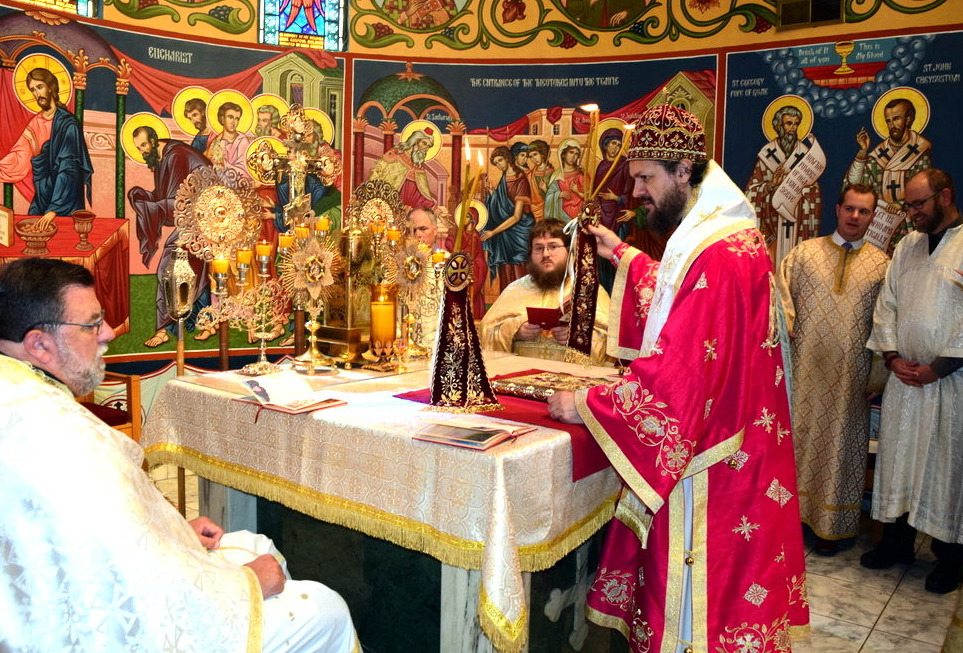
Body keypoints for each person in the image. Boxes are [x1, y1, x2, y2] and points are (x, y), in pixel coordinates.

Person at [546, 104, 809, 651]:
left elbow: (683, 368)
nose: (636, 191)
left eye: (646, 178)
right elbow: (681, 297)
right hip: (733, 438)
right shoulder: (715, 233)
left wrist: (588, 405)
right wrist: (622, 255)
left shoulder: (721, 252)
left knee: (699, 612)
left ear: (684, 170)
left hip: (715, 461)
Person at [0, 257, 358, 652]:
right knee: (325, 608)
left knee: (254, 544)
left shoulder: (19, 398)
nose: (108, 333)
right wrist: (247, 584)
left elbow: (85, 542)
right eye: (92, 324)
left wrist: (172, 531)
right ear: (39, 345)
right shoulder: (62, 435)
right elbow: (123, 586)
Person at [862, 168, 963, 594]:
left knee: (945, 467)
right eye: (908, 205)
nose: (912, 212)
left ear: (945, 196)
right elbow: (887, 305)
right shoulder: (907, 246)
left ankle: (950, 559)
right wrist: (892, 356)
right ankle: (896, 544)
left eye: (919, 204)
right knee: (899, 459)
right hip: (905, 379)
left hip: (950, 382)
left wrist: (939, 366)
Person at [776, 183, 890, 556]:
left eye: (864, 211)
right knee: (797, 444)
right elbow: (780, 301)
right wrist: (785, 331)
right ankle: (788, 522)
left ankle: (831, 528)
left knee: (841, 449)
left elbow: (886, 322)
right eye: (850, 208)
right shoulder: (804, 254)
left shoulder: (882, 266)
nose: (855, 217)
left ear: (872, 217)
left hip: (850, 380)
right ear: (838, 209)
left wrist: (878, 375)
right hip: (804, 373)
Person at [127, 125, 213, 347]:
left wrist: (149, 207)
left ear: (154, 140)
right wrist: (144, 197)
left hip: (206, 217)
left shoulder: (175, 156)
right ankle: (202, 322)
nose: (143, 151)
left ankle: (165, 328)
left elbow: (177, 204)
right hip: (194, 217)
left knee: (170, 265)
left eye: (144, 145)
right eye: (138, 148)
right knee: (192, 267)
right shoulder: (163, 157)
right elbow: (165, 197)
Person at [480, 218, 609, 364]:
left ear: (569, 251)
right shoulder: (515, 289)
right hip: (521, 374)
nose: (546, 254)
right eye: (539, 248)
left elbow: (609, 336)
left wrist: (577, 336)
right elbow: (486, 330)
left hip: (569, 377)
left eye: (553, 246)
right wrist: (515, 330)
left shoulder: (588, 290)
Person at [0, 67, 94, 229]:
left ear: (50, 87)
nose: (37, 93)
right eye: (33, 90)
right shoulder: (34, 123)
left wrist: (54, 209)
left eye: (40, 87)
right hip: (42, 196)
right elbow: (19, 157)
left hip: (65, 197)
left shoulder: (68, 124)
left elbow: (68, 168)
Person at [844, 96, 932, 255]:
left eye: (896, 119)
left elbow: (923, 193)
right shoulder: (879, 154)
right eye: (888, 121)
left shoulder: (919, 153)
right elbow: (854, 185)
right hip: (880, 227)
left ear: (908, 119)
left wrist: (900, 204)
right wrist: (863, 152)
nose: (892, 125)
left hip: (907, 225)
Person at [745, 102, 824, 266]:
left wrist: (806, 193)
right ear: (779, 125)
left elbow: (814, 192)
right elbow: (751, 192)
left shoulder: (805, 155)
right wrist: (770, 186)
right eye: (789, 123)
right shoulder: (767, 155)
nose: (793, 128)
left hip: (797, 225)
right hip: (772, 228)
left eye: (796, 124)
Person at [481, 145, 535, 289]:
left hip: (519, 232)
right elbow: (502, 203)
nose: (499, 165)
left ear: (507, 158)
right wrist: (492, 193)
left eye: (500, 160)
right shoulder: (504, 178)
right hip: (505, 232)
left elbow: (516, 216)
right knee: (506, 270)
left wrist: (493, 232)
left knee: (519, 270)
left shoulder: (521, 180)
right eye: (496, 163)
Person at [369, 128, 436, 209]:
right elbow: (379, 175)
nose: (425, 148)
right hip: (387, 206)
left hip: (408, 210)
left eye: (428, 146)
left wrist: (434, 209)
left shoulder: (418, 166)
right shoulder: (396, 154)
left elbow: (421, 196)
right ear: (416, 140)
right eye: (424, 143)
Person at [206, 101, 252, 179]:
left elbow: (245, 171)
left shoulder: (242, 140)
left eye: (237, 119)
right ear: (222, 119)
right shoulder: (216, 141)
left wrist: (224, 164)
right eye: (230, 117)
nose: (234, 122)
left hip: (238, 182)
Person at [544, 139, 586, 222]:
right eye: (571, 152)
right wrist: (559, 194)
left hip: (579, 215)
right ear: (563, 154)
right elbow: (549, 196)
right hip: (561, 215)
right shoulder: (556, 175)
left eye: (576, 154)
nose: (573, 156)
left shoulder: (581, 174)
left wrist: (577, 191)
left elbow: (590, 198)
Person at [525, 139, 554, 221]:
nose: (534, 159)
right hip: (534, 211)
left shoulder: (553, 174)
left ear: (542, 154)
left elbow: (558, 199)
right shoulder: (530, 176)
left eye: (535, 154)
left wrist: (546, 190)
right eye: (531, 156)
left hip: (549, 211)